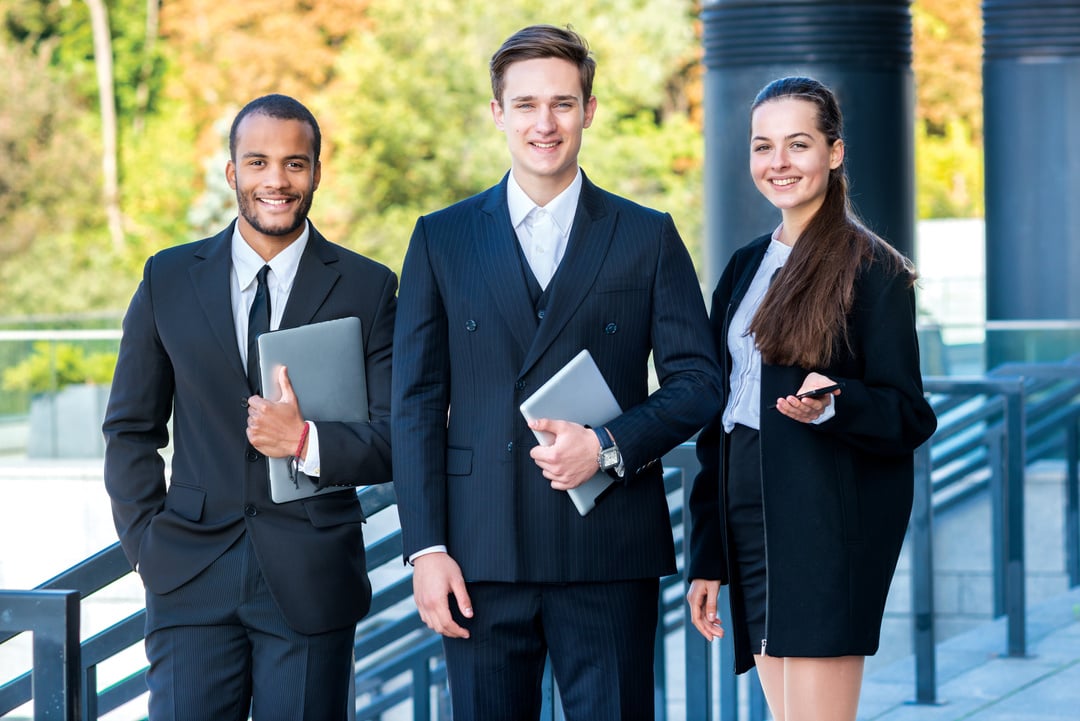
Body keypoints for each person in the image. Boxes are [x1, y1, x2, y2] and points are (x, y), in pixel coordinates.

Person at [391, 24, 722, 721]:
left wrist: (605, 445)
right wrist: (425, 548)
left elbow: (699, 382)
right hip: (479, 552)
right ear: (498, 113)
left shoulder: (647, 234)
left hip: (605, 548)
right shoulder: (440, 238)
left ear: (590, 110)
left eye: (564, 104)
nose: (545, 123)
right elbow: (416, 403)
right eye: (526, 104)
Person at [103, 94, 396, 721]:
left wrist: (305, 442)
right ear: (232, 172)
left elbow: (398, 436)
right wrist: (145, 547)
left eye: (295, 164)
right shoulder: (168, 278)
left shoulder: (369, 288)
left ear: (316, 172)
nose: (276, 181)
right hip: (187, 575)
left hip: (313, 578)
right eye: (258, 162)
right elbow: (130, 428)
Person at [685, 76, 938, 721]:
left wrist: (835, 405)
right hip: (747, 513)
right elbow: (719, 421)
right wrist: (707, 556)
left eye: (798, 145)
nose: (779, 163)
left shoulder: (873, 270)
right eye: (763, 147)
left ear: (834, 152)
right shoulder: (743, 266)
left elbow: (909, 415)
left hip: (824, 523)